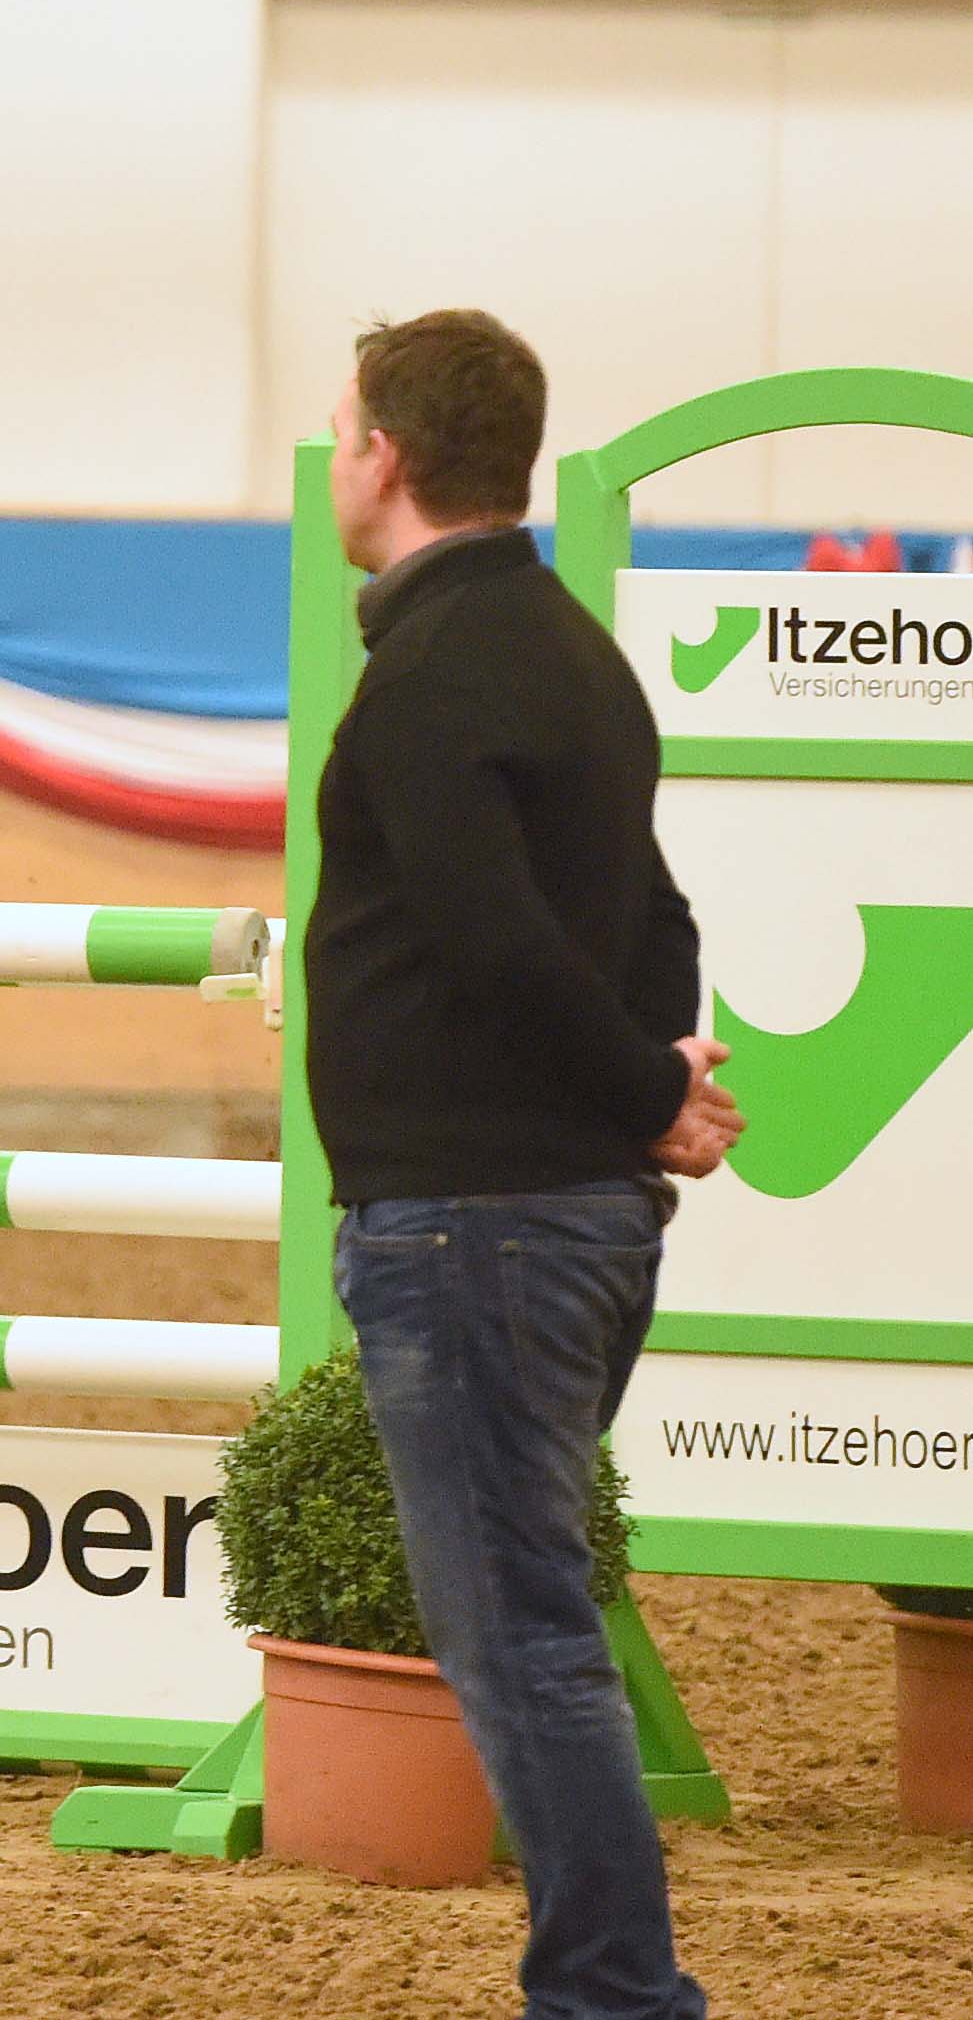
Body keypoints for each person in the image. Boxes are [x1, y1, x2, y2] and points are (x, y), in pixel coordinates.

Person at [306, 307, 742, 2020]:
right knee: (533, 1617)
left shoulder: (428, 673)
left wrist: (640, 1089)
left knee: (523, 1637)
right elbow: (658, 915)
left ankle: (617, 1997)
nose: (332, 460)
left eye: (340, 431)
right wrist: (657, 1091)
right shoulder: (571, 649)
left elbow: (493, 938)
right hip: (572, 1219)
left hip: (470, 1226)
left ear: (387, 454)